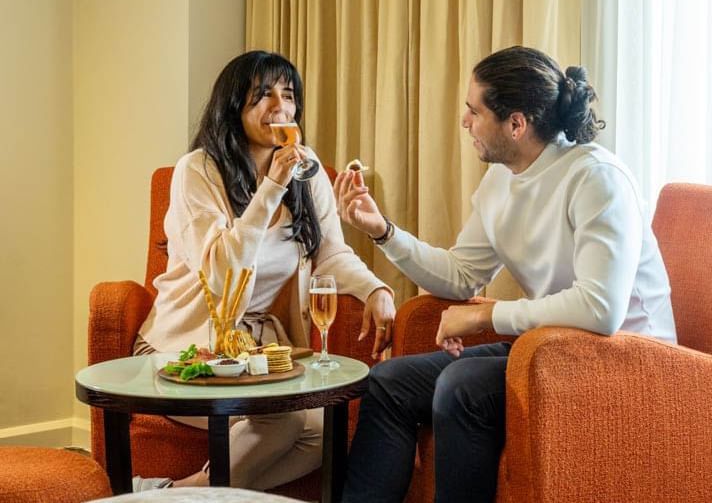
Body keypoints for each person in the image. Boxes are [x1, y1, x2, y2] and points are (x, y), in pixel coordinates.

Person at [334, 46, 677, 503]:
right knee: (390, 382)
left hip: (627, 360)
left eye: (474, 111)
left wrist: (483, 318)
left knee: (463, 388)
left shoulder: (596, 179)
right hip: (551, 347)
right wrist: (384, 232)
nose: (465, 122)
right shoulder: (502, 179)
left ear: (517, 123)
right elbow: (461, 275)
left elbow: (600, 310)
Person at [134, 50, 396, 492]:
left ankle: (174, 494)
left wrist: (375, 290)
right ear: (234, 107)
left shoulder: (306, 171)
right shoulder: (196, 171)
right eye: (263, 96)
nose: (280, 107)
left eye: (288, 95)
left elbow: (330, 256)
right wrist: (271, 187)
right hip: (184, 355)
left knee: (322, 431)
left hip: (258, 356)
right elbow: (221, 275)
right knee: (286, 417)